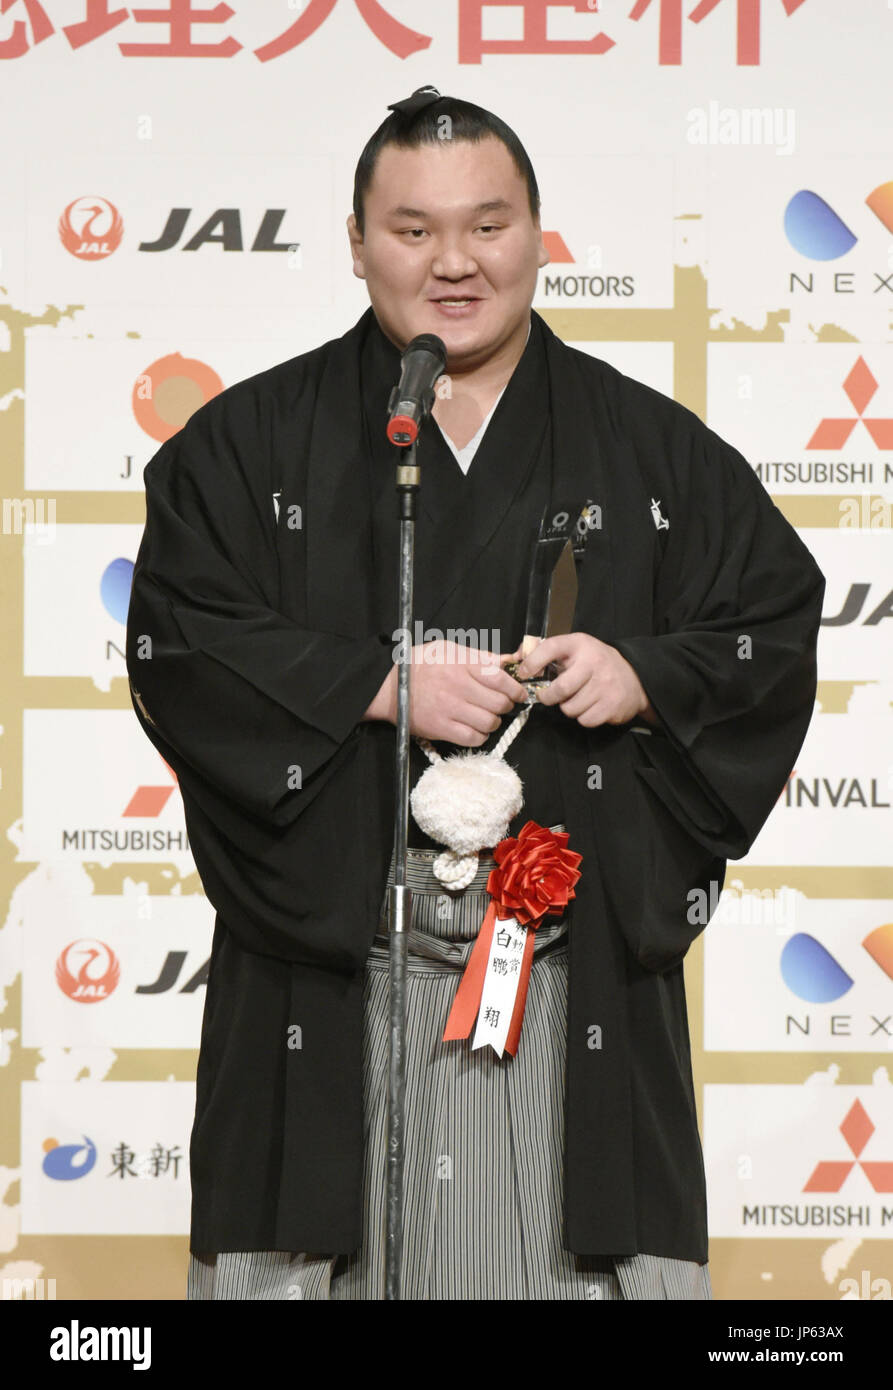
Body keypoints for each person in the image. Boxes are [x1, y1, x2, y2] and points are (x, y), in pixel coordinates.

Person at [125, 86, 825, 1301]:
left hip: (563, 977)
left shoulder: (654, 450)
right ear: (355, 243)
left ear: (538, 236)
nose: (452, 262)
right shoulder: (242, 446)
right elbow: (177, 645)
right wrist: (370, 685)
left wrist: (643, 673)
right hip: (335, 972)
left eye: (487, 225)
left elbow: (767, 624)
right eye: (411, 230)